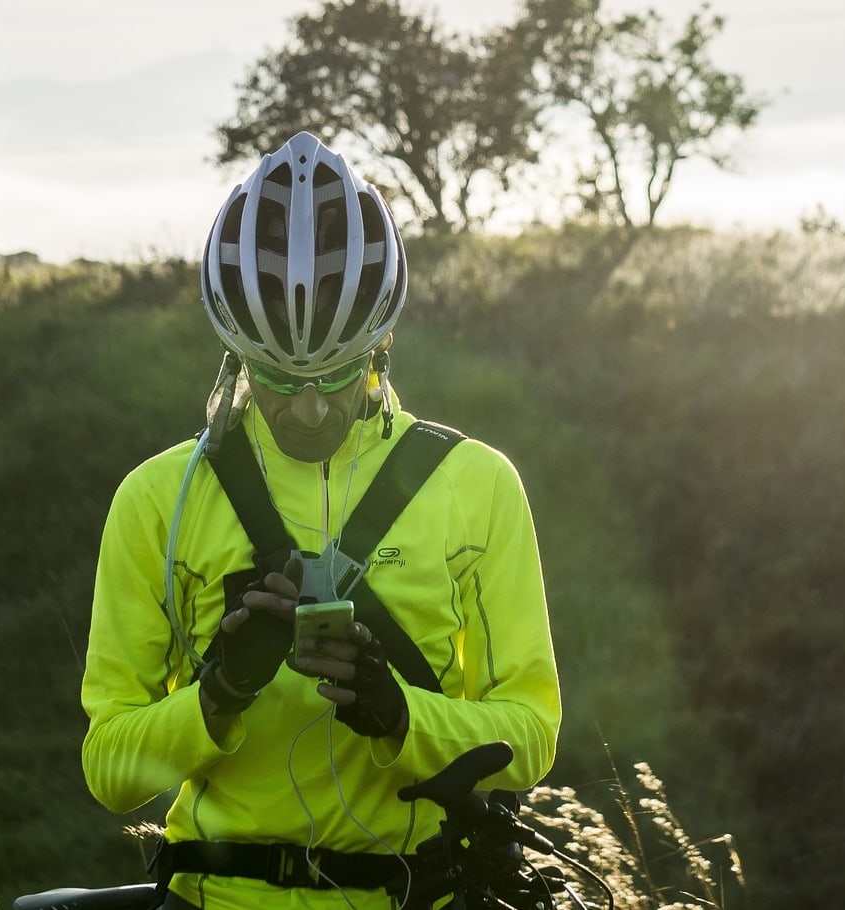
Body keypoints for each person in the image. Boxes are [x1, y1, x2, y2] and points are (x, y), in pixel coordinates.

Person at [80, 131, 561, 910]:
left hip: (410, 895)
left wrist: (402, 714)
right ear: (235, 355)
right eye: (276, 374)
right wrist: (219, 694)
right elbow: (109, 768)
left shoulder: (477, 485)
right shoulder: (156, 498)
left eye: (336, 371)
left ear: (381, 343)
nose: (308, 408)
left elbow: (531, 736)